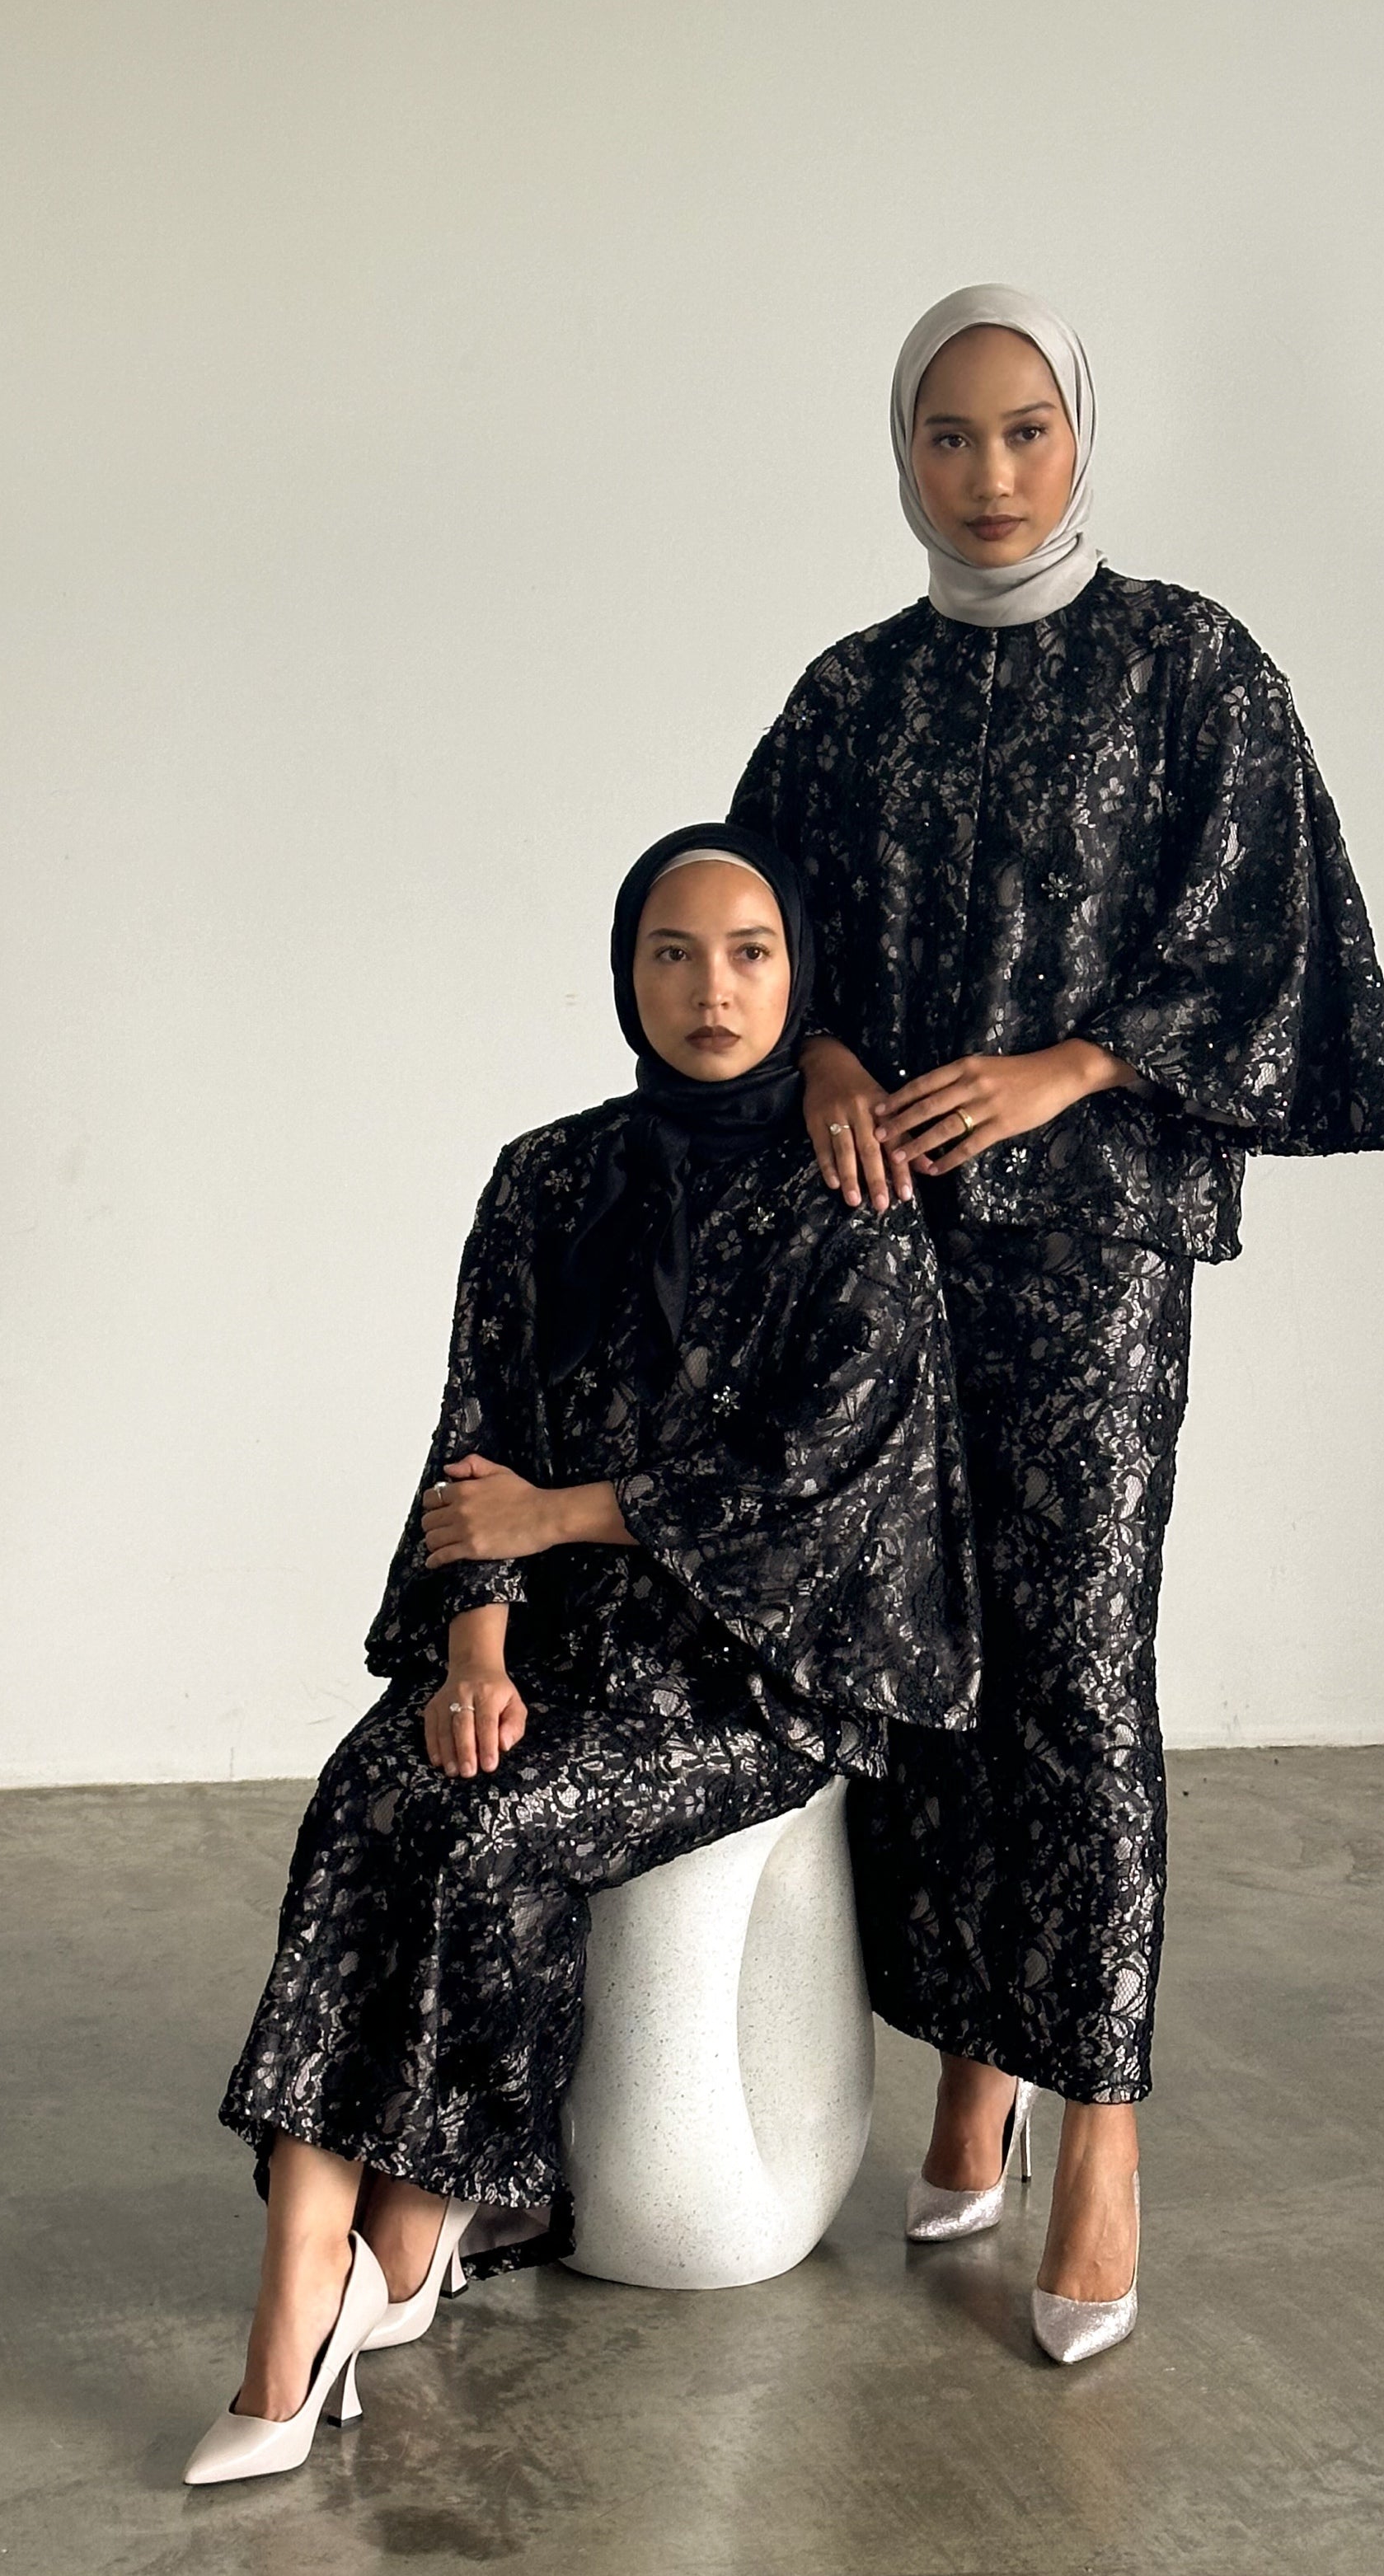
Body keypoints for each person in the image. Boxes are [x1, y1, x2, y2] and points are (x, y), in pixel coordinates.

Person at [733, 284, 1384, 2364]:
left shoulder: (1188, 665)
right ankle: (976, 2059)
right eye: (949, 437)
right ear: (903, 457)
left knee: (1078, 1666)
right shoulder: (852, 699)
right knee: (924, 1655)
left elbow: (1269, 942)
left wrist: (1077, 1061)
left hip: (1091, 1250)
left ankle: (1102, 2121)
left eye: (1025, 430)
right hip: (884, 1247)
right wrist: (830, 1065)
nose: (992, 472)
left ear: (1080, 436)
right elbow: (746, 931)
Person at [184, 823, 978, 2484]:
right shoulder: (550, 1173)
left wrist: (552, 1525)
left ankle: (378, 2257)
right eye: (674, 952)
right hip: (557, 1638)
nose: (712, 988)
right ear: (625, 972)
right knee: (374, 1784)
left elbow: (809, 1483)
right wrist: (475, 1644)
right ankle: (313, 2283)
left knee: (475, 1827)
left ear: (800, 977)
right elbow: (478, 1437)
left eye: (752, 952)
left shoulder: (854, 1206)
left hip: (754, 1673)